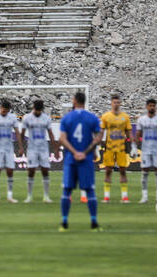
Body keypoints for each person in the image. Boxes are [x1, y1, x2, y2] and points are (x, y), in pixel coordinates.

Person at [58, 91, 102, 231]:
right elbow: (98, 138)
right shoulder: (92, 118)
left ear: (75, 100)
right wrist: (86, 152)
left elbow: (62, 139)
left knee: (67, 190)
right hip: (86, 159)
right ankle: (94, 223)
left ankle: (64, 223)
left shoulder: (67, 118)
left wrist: (75, 152)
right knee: (90, 190)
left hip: (71, 159)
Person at [99, 93, 136, 203]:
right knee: (108, 171)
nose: (116, 104)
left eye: (118, 102)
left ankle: (124, 197)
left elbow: (129, 132)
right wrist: (97, 145)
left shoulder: (125, 117)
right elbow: (101, 132)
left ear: (120, 103)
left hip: (121, 148)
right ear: (111, 103)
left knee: (123, 171)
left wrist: (133, 145)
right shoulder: (106, 116)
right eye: (114, 102)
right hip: (109, 148)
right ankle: (106, 197)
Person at [20, 99, 57, 203]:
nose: (38, 112)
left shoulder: (46, 118)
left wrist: (56, 149)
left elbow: (50, 133)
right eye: (36, 110)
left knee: (45, 171)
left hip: (43, 148)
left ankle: (46, 196)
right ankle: (29, 196)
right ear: (33, 108)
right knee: (31, 171)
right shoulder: (27, 118)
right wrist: (21, 147)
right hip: (32, 148)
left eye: (39, 111)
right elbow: (22, 133)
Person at [135, 99, 157, 203]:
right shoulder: (141, 120)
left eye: (154, 106)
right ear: (146, 107)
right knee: (145, 173)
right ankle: (144, 197)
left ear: (155, 107)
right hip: (145, 150)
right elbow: (138, 134)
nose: (152, 107)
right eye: (150, 106)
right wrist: (135, 148)